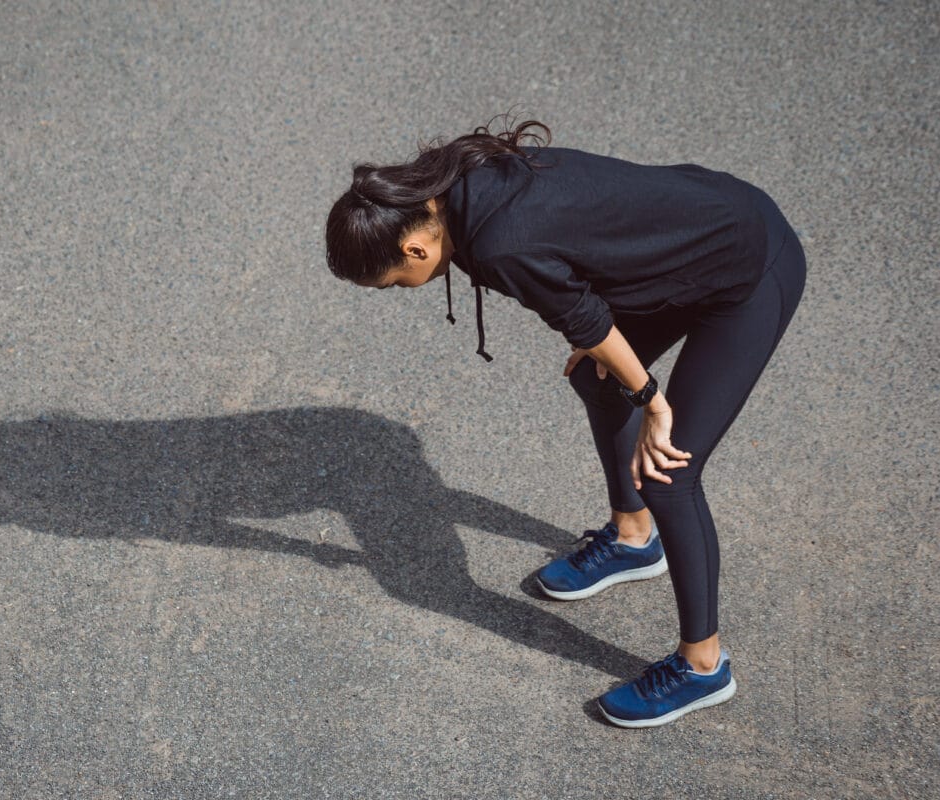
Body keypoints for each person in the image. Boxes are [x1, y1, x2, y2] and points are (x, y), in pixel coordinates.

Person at [324, 117, 806, 728]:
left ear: (415, 249)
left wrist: (654, 404)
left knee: (668, 472)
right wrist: (612, 353)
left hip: (749, 267)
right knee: (596, 378)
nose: (402, 289)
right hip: (693, 239)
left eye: (394, 283)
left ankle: (703, 667)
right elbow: (582, 264)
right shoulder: (451, 185)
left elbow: (583, 317)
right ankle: (634, 538)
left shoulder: (499, 245)